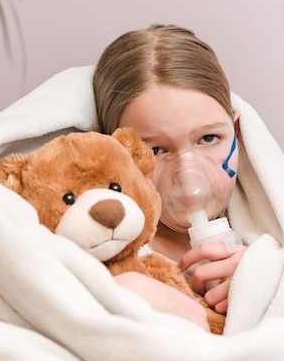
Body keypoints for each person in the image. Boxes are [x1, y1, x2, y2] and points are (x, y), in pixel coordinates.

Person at [92, 24, 246, 331]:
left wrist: (260, 280)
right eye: (157, 149)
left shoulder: (269, 242)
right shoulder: (110, 251)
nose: (189, 181)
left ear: (237, 132)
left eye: (209, 138)